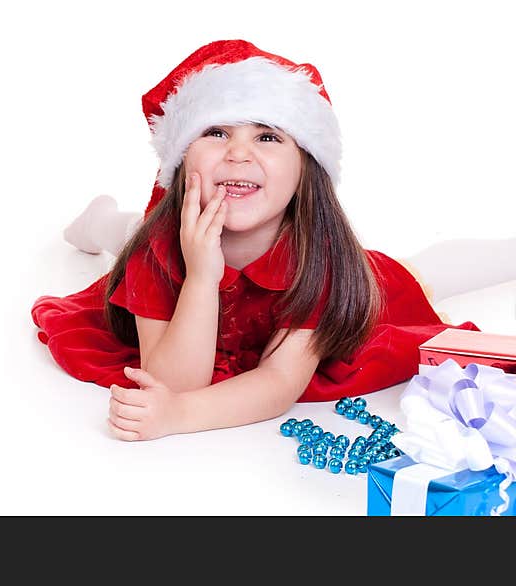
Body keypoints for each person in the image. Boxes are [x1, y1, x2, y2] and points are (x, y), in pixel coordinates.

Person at [31, 40, 481, 441]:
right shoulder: (158, 250)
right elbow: (173, 381)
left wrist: (181, 415)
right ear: (181, 161)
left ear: (306, 171)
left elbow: (278, 382)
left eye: (267, 136)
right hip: (175, 244)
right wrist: (201, 278)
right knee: (132, 235)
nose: (239, 152)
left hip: (357, 281)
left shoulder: (319, 258)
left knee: (421, 276)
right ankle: (99, 220)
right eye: (216, 132)